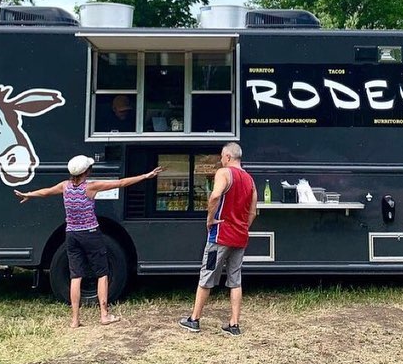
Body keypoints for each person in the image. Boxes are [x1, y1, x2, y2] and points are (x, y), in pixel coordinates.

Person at [15, 155, 162, 328]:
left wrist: (28, 194)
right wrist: (146, 176)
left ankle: (75, 320)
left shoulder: (65, 186)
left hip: (71, 234)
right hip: (91, 233)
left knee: (75, 276)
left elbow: (46, 192)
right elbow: (121, 183)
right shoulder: (91, 187)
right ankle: (104, 315)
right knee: (102, 273)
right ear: (87, 171)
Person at [179, 142, 257, 336]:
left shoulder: (224, 173)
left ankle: (194, 319)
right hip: (240, 237)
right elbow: (253, 211)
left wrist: (210, 219)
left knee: (207, 275)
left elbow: (215, 196)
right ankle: (234, 324)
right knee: (235, 280)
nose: (221, 160)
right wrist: (243, 227)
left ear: (228, 157)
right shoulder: (250, 180)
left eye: (222, 157)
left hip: (220, 234)